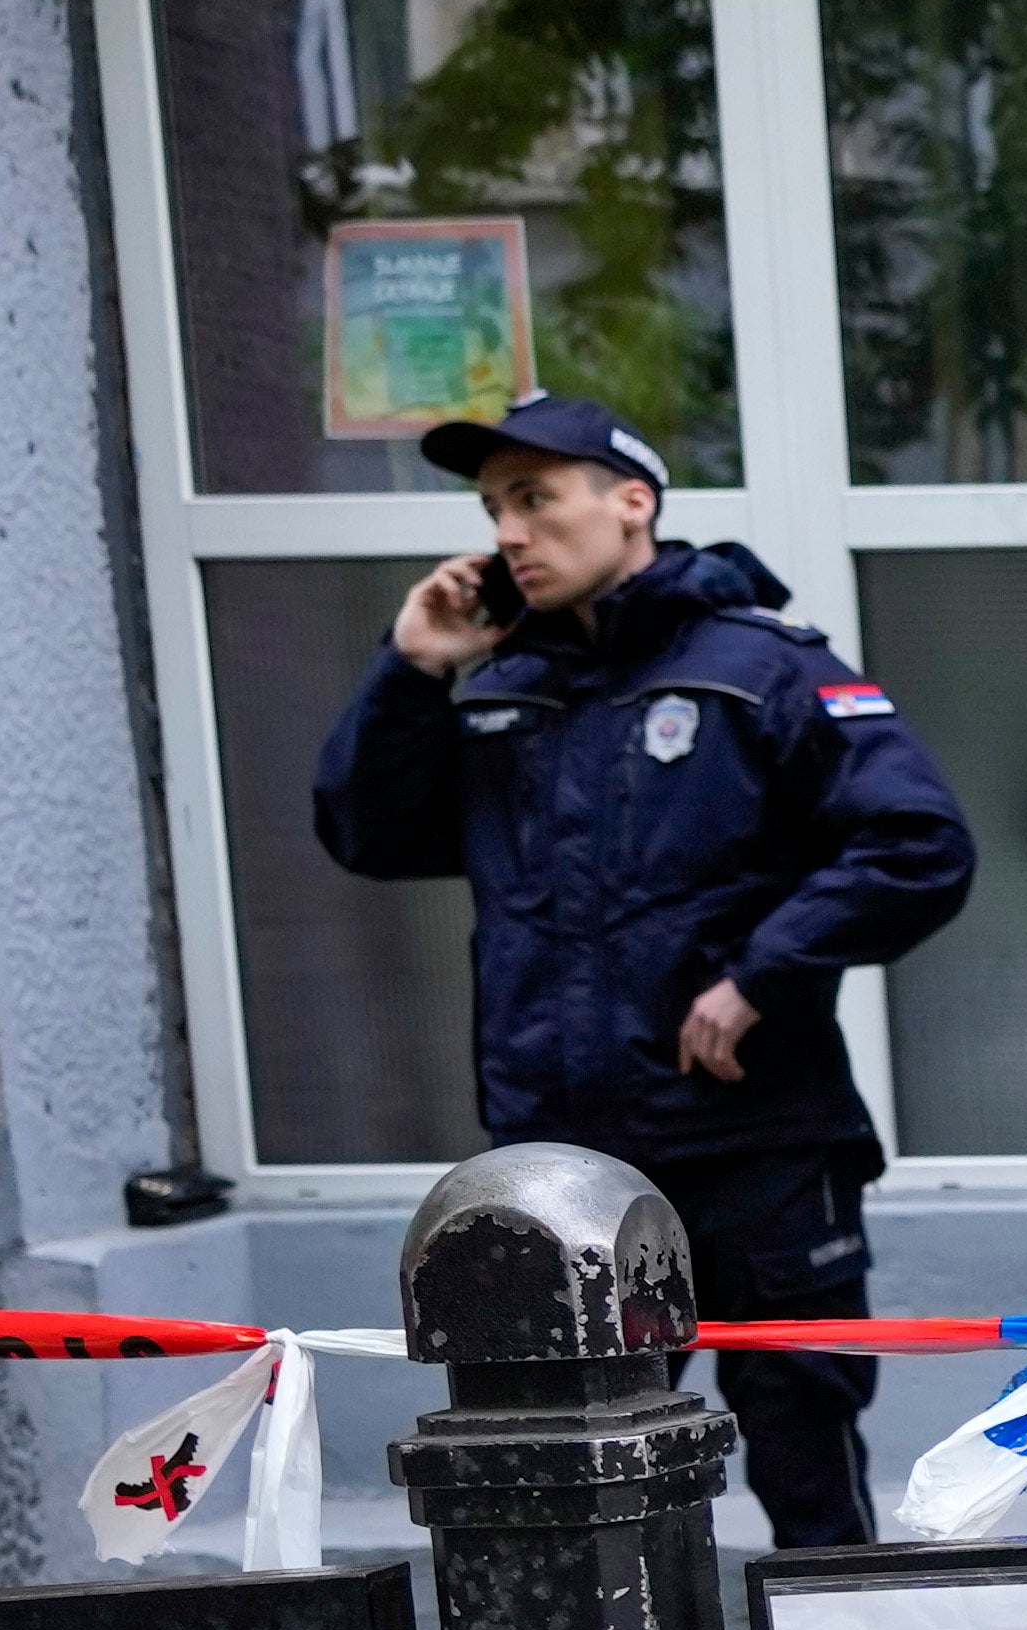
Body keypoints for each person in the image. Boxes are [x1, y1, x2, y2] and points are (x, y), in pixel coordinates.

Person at [307, 391, 974, 1549]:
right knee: (585, 1482)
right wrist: (410, 671)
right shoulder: (499, 684)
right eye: (494, 507)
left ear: (632, 503)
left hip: (755, 1147)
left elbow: (918, 845)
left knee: (806, 1463)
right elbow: (365, 831)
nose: (511, 531)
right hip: (563, 1175)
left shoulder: (759, 668)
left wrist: (760, 975)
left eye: (537, 498)